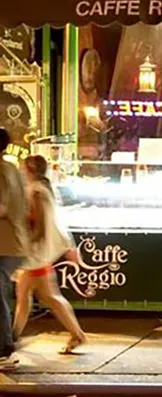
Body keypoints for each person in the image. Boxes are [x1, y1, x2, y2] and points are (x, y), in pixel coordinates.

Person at [12, 156, 86, 355]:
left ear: (30, 169)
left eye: (22, 168)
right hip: (37, 253)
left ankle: (77, 334)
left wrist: (27, 244)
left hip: (35, 254)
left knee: (47, 296)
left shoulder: (35, 191)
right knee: (30, 296)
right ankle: (11, 338)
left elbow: (38, 222)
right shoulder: (42, 189)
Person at [0, 128, 27, 370]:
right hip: (15, 243)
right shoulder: (13, 169)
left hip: (4, 242)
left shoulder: (2, 171)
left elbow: (2, 208)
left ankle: (5, 350)